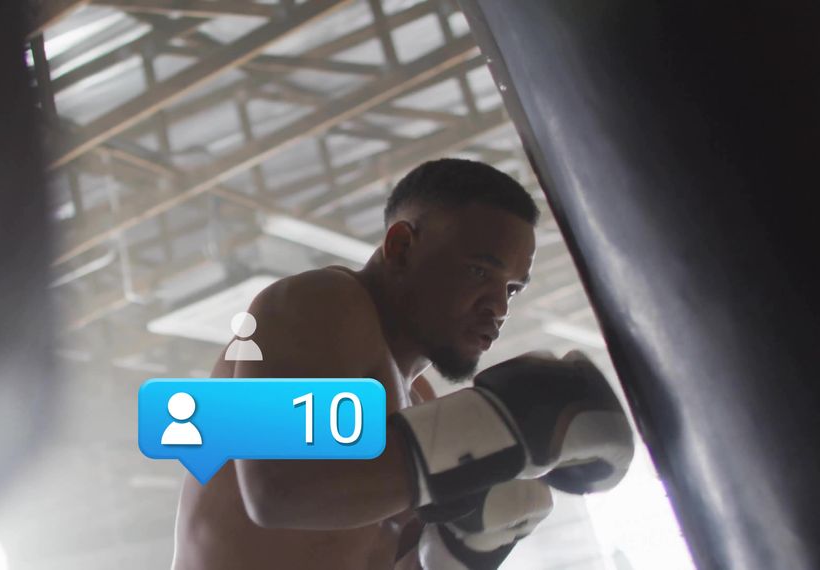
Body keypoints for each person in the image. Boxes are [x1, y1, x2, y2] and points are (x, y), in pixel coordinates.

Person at [171, 159, 633, 569]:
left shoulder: (420, 405)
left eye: (511, 288)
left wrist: (470, 546)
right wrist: (505, 426)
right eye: (479, 271)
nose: (498, 306)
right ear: (401, 246)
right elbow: (278, 488)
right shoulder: (317, 304)